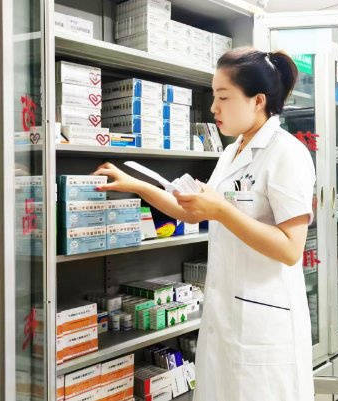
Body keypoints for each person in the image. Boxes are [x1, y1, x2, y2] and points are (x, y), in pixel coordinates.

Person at [92, 47, 316, 401]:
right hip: (226, 313)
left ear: (258, 101)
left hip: (265, 322)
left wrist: (222, 210)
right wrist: (136, 185)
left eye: (223, 97)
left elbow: (290, 248)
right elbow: (194, 212)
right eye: (214, 96)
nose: (213, 108)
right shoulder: (232, 152)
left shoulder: (287, 153)